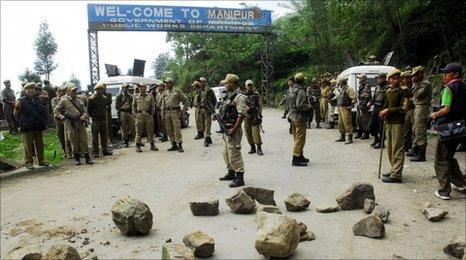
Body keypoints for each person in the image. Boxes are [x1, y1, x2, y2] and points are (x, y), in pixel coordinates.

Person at [429, 63, 466, 200]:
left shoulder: (448, 88)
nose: (444, 76)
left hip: (448, 129)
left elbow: (446, 109)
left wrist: (434, 115)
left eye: (446, 73)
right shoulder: (464, 87)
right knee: (449, 156)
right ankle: (461, 183)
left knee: (441, 159)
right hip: (460, 129)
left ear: (455, 74)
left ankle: (444, 191)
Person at [217, 74, 248, 187]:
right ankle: (231, 173)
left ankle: (240, 177)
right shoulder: (229, 96)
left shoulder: (239, 97)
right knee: (226, 153)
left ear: (232, 83)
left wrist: (234, 129)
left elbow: (241, 114)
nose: (225, 85)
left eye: (226, 83)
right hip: (226, 129)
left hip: (233, 130)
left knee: (234, 153)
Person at [54, 83, 93, 166]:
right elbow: (56, 110)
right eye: (72, 91)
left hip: (80, 122)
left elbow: (85, 111)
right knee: (73, 140)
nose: (74, 92)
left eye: (75, 91)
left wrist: (84, 116)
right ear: (68, 92)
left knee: (83, 140)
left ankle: (87, 157)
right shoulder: (64, 100)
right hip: (70, 123)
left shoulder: (79, 100)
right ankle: (77, 158)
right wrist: (61, 116)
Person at [380, 69, 408, 183]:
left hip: (398, 123)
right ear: (389, 80)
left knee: (397, 148)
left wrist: (388, 110)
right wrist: (383, 112)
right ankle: (394, 169)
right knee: (390, 148)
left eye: (398, 78)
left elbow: (404, 108)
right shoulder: (388, 91)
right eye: (393, 78)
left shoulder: (403, 91)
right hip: (389, 122)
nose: (396, 80)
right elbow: (385, 105)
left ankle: (396, 175)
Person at [14, 83, 48, 169]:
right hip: (27, 126)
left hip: (38, 126)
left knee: (40, 145)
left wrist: (43, 122)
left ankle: (41, 161)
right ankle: (29, 162)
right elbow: (15, 114)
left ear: (35, 90)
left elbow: (43, 112)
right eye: (28, 89)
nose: (31, 90)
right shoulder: (21, 101)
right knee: (28, 146)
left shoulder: (39, 100)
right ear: (25, 91)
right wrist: (21, 122)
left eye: (32, 89)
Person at [407, 66, 432, 162]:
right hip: (417, 107)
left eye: (416, 75)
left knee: (420, 130)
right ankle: (416, 149)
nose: (414, 77)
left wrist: (414, 84)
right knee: (415, 129)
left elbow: (417, 94)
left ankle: (422, 154)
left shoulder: (425, 84)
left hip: (422, 108)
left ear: (421, 73)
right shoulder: (419, 84)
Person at [286, 72, 311, 166]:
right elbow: (300, 105)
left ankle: (300, 155)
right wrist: (309, 106)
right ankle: (296, 158)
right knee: (300, 138)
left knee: (297, 138)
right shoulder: (300, 91)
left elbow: (288, 104)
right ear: (302, 81)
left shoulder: (290, 89)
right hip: (300, 117)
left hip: (292, 116)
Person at [158, 77, 188, 152]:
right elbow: (162, 104)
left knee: (177, 129)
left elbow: (185, 100)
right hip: (167, 113)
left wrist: (183, 109)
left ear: (172, 83)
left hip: (175, 112)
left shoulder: (177, 91)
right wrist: (162, 114)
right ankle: (173, 144)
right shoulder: (165, 93)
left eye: (168, 83)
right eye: (166, 83)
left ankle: (180, 144)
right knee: (169, 130)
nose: (166, 84)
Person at [87, 82, 112, 157]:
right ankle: (95, 152)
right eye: (98, 90)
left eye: (101, 89)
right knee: (95, 137)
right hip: (95, 120)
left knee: (104, 136)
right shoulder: (91, 99)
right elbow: (89, 110)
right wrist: (93, 116)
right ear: (96, 90)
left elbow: (105, 107)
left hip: (103, 119)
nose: (100, 91)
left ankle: (105, 150)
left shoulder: (104, 98)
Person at [132, 83, 157, 153]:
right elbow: (133, 106)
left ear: (145, 88)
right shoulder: (136, 96)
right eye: (139, 87)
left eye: (141, 87)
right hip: (139, 115)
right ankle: (137, 145)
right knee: (138, 131)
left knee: (150, 131)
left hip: (148, 115)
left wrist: (151, 114)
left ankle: (152, 145)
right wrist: (134, 113)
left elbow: (153, 106)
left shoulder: (150, 96)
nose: (140, 88)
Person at [193, 77, 217, 147]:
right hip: (201, 109)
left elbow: (214, 100)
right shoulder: (199, 90)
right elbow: (198, 99)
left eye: (201, 82)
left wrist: (211, 108)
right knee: (202, 124)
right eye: (200, 82)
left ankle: (206, 138)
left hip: (207, 109)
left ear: (205, 82)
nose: (200, 83)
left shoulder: (209, 90)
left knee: (207, 124)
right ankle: (208, 138)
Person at [243, 79, 263, 155]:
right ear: (245, 86)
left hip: (255, 116)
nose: (250, 87)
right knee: (248, 133)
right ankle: (252, 147)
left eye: (251, 85)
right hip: (246, 116)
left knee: (256, 133)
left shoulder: (256, 94)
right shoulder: (243, 95)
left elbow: (260, 105)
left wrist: (259, 114)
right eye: (248, 85)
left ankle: (259, 147)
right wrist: (245, 109)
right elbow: (240, 106)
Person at [335, 77, 357, 144]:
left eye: (340, 82)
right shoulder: (342, 88)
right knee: (340, 123)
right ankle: (342, 136)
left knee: (347, 122)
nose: (339, 83)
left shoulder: (349, 89)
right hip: (341, 107)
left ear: (343, 82)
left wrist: (351, 106)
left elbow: (354, 98)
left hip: (346, 108)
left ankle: (350, 138)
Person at [369, 73, 388, 148]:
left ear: (384, 78)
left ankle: (381, 142)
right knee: (371, 125)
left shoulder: (387, 87)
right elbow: (374, 97)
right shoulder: (377, 87)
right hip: (375, 107)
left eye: (379, 78)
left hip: (382, 107)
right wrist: (370, 102)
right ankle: (376, 139)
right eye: (377, 78)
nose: (378, 80)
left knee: (381, 126)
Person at [52, 85, 71, 158]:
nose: (61, 93)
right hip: (59, 121)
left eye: (63, 91)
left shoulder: (67, 99)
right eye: (60, 91)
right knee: (61, 136)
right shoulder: (54, 100)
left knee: (69, 136)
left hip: (67, 119)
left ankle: (70, 151)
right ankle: (65, 152)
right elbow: (55, 109)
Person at [115, 83, 135, 148]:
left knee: (133, 126)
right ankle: (125, 141)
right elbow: (116, 106)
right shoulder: (118, 96)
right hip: (122, 112)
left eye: (127, 87)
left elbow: (133, 104)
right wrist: (122, 108)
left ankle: (137, 140)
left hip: (129, 112)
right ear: (122, 88)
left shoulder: (130, 96)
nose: (127, 89)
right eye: (125, 87)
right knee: (123, 128)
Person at [400, 70, 415, 151]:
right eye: (403, 79)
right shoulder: (403, 87)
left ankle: (411, 146)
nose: (403, 80)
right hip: (405, 109)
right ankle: (406, 145)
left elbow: (414, 98)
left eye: (405, 78)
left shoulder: (413, 87)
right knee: (405, 128)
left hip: (412, 109)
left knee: (412, 129)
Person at [355, 74, 371, 139]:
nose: (359, 79)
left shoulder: (367, 85)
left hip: (364, 105)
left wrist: (360, 95)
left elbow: (366, 95)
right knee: (358, 119)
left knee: (365, 119)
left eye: (360, 78)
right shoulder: (361, 85)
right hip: (360, 104)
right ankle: (360, 132)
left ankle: (366, 133)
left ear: (364, 79)